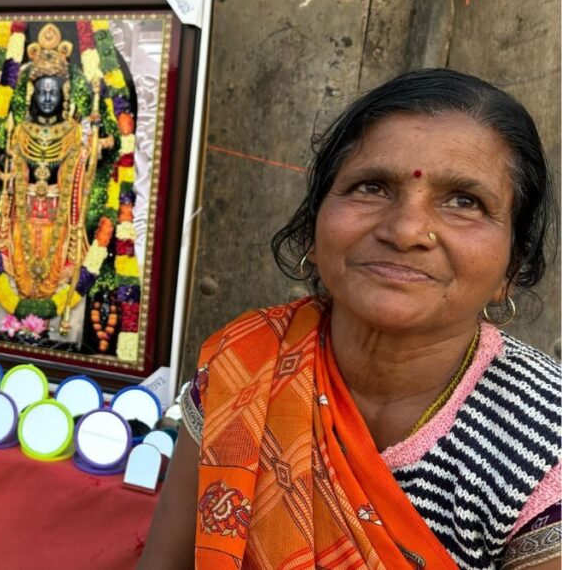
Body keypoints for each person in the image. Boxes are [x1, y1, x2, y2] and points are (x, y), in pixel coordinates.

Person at [140, 69, 560, 569]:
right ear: (314, 231)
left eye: (464, 202)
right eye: (372, 187)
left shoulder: (547, 439)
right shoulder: (246, 370)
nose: (405, 230)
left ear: (511, 268)